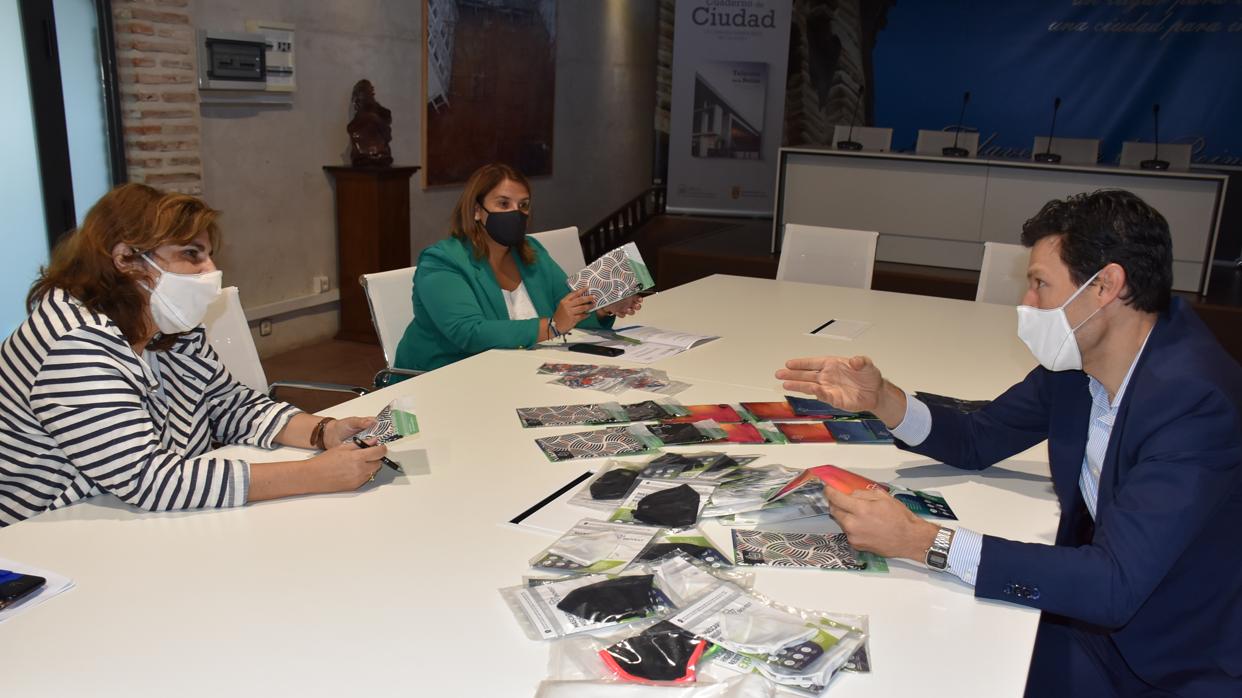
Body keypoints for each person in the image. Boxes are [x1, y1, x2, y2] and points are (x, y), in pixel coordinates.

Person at [776, 190, 1242, 696]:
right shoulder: (1081, 360)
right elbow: (981, 437)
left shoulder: (1194, 403)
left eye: (1041, 283)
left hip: (1166, 662)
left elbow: (1113, 585)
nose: (1027, 303)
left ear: (1106, 285)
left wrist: (922, 541)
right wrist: (884, 399)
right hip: (1086, 619)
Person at [0, 184, 389, 527]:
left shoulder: (165, 325)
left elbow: (228, 405)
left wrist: (323, 432)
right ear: (126, 259)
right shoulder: (70, 343)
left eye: (208, 255)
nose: (210, 270)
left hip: (130, 517)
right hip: (47, 538)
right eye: (192, 254)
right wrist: (314, 476)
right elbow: (147, 480)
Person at [394, 163, 642, 372]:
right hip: (444, 380)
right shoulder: (442, 261)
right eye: (503, 204)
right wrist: (552, 326)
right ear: (477, 211)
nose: (516, 213)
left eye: (523, 205)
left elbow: (567, 308)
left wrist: (603, 307)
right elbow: (468, 332)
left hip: (517, 372)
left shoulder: (531, 251)